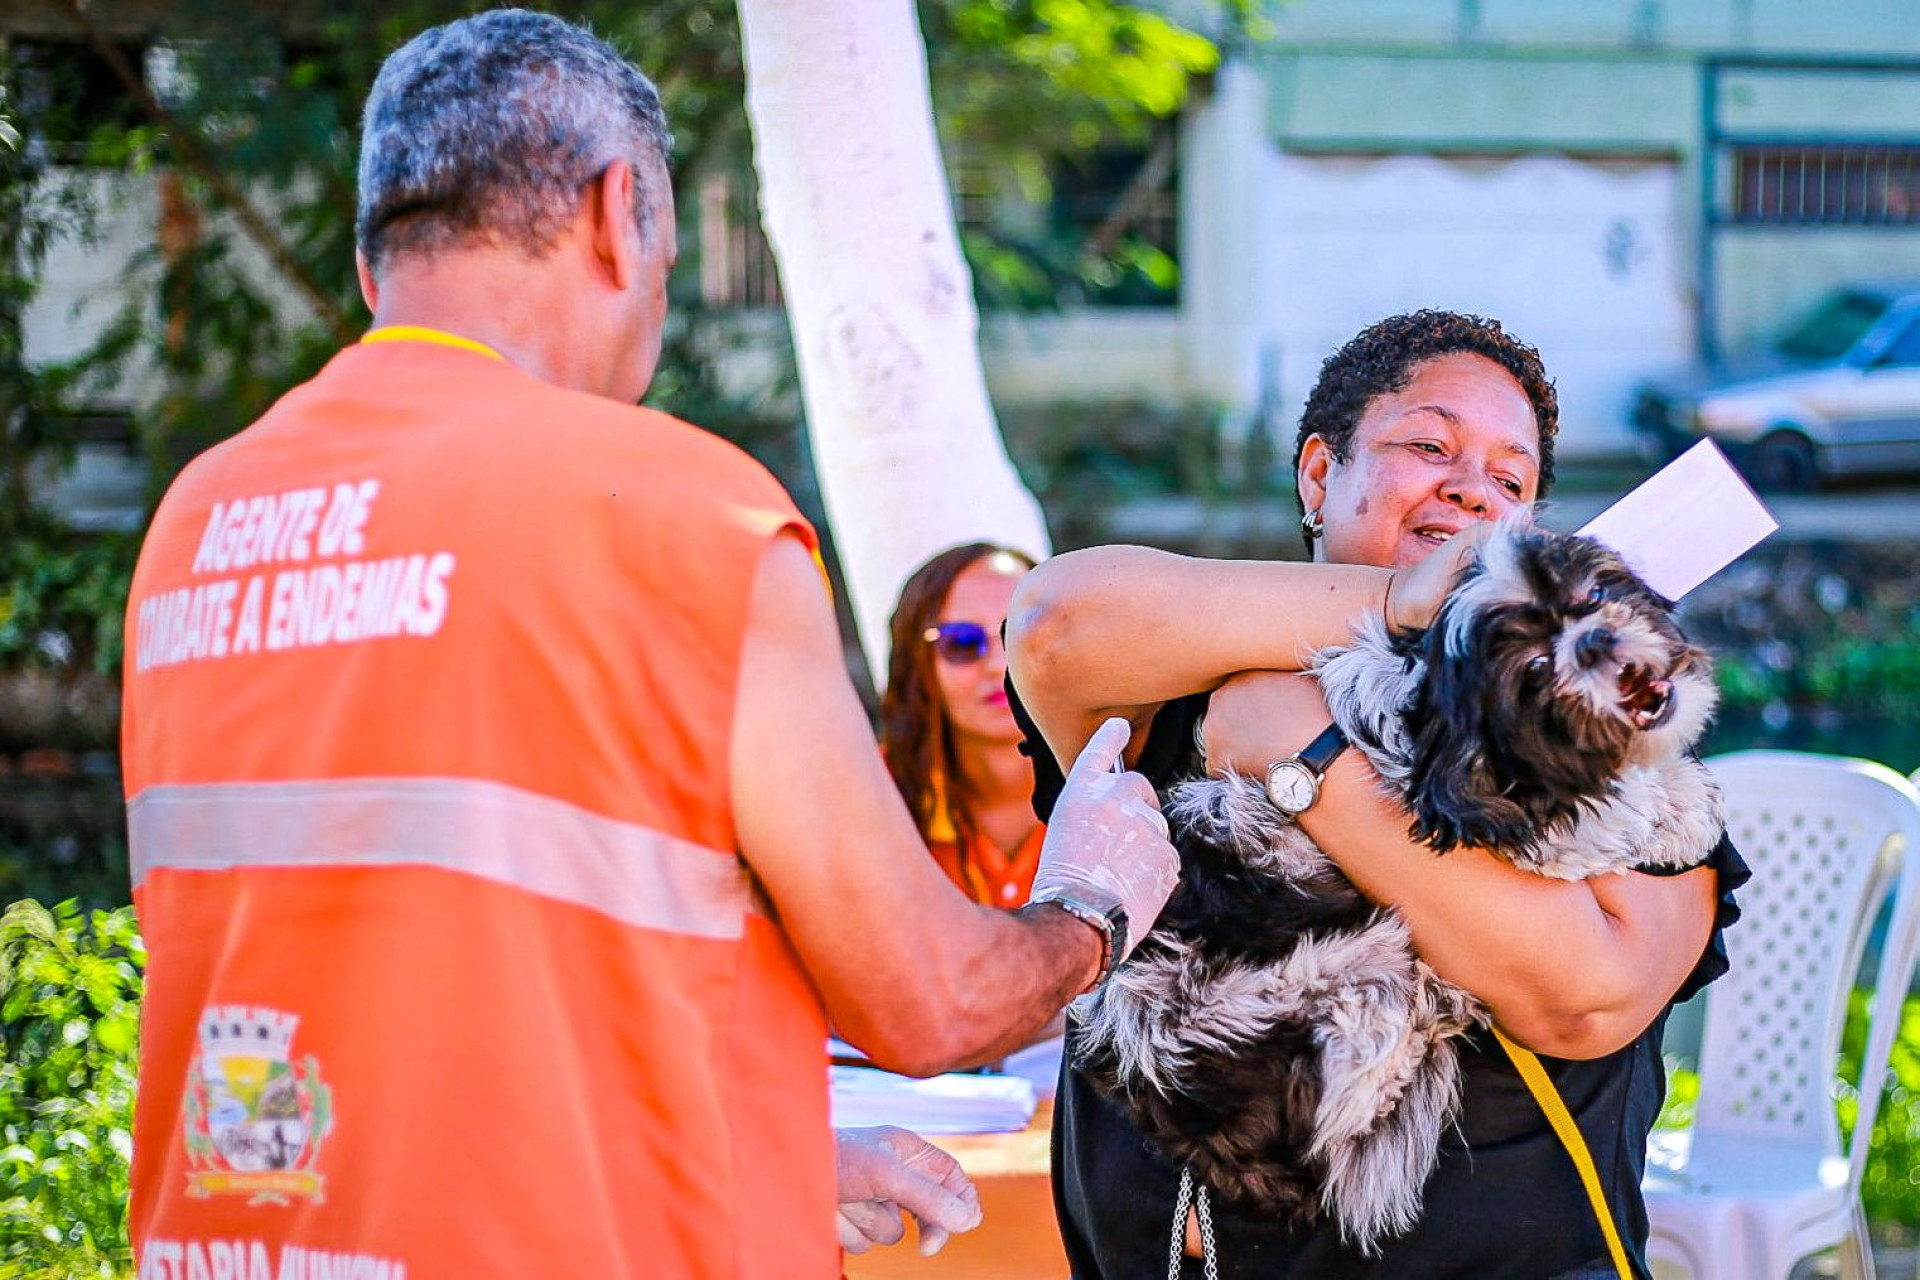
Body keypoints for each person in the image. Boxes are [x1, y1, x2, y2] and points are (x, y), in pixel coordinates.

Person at [118, 12, 1180, 1279]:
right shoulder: (681, 510)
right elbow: (931, 998)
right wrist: (1089, 904)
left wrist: (777, 1157)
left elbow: (444, 998)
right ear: (623, 213)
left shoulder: (201, 522)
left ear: (373, 259)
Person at [1006, 310, 1748, 1279]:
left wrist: (1305, 758)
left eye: (1511, 480)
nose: (1471, 489)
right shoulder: (1172, 695)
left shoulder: (1600, 750)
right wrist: (1402, 602)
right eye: (1429, 445)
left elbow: (1589, 997)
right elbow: (1055, 623)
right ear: (1321, 474)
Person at [881, 543, 1044, 908]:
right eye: (962, 642)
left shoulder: (1135, 786)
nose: (999, 665)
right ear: (917, 666)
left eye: (1021, 634)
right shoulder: (869, 798)